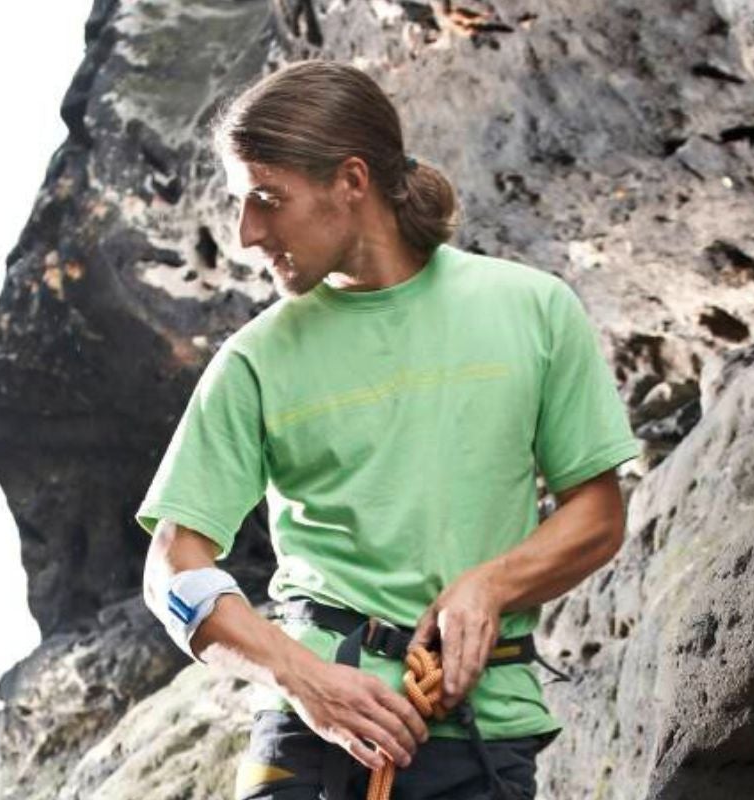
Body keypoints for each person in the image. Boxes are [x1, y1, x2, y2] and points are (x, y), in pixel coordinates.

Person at [135, 60, 639, 800]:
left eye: (269, 199)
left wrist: (490, 585)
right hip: (306, 735)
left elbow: (597, 515)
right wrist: (302, 678)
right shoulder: (254, 360)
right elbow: (171, 565)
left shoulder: (533, 309)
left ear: (352, 181)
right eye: (243, 203)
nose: (246, 233)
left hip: (480, 732)